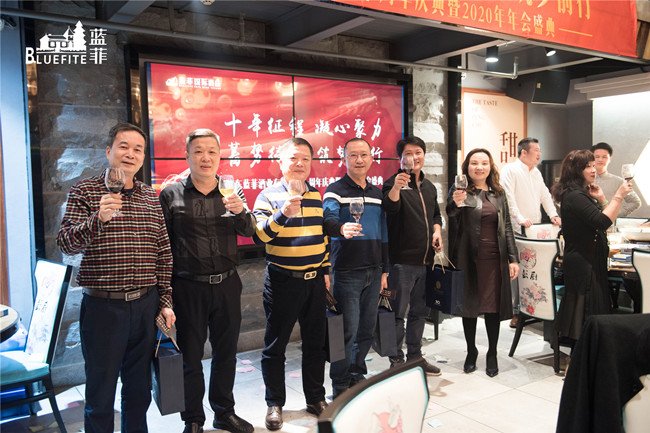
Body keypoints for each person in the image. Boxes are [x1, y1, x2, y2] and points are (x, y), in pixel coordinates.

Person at [57, 122, 175, 433]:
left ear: (143, 157)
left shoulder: (150, 196)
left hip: (146, 305)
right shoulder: (85, 191)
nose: (130, 154)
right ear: (109, 151)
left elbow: (163, 251)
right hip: (104, 308)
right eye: (124, 146)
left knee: (139, 390)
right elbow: (66, 243)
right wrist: (98, 218)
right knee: (101, 391)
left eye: (138, 149)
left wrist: (165, 300)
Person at [159, 129, 255, 433]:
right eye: (199, 151)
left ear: (219, 156)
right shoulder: (171, 194)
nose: (206, 157)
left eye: (212, 151)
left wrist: (240, 211)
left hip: (227, 283)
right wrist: (164, 294)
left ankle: (224, 411)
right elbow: (162, 246)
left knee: (226, 352)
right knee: (190, 355)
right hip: (188, 287)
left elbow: (249, 230)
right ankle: (193, 419)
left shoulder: (231, 190)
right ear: (187, 156)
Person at [252, 138, 330, 430]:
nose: (300, 164)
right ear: (280, 162)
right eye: (294, 158)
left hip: (314, 282)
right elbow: (259, 236)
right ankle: (274, 403)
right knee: (276, 345)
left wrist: (325, 271)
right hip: (282, 281)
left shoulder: (317, 195)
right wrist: (283, 213)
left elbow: (323, 237)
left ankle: (315, 398)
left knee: (315, 344)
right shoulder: (267, 196)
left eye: (306, 159)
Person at [323, 138, 389, 398]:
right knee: (345, 330)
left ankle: (356, 373)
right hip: (347, 271)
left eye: (364, 155)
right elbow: (327, 220)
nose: (359, 160)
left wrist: (385, 269)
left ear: (372, 158)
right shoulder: (335, 190)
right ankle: (339, 383)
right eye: (353, 155)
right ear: (344, 159)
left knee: (366, 329)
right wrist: (341, 228)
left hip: (374, 269)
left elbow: (384, 233)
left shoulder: (377, 193)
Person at [446, 148, 519, 377]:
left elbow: (507, 227)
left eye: (484, 163)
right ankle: (471, 351)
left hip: (494, 258)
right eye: (474, 163)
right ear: (467, 167)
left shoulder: (498, 192)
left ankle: (492, 352)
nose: (479, 167)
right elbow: (450, 215)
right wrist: (455, 204)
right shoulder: (459, 190)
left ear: (490, 166)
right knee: (469, 306)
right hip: (467, 257)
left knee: (492, 307)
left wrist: (513, 258)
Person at [551, 149, 633, 342]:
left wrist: (602, 199)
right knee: (586, 312)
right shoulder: (575, 196)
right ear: (575, 170)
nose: (593, 169)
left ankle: (587, 352)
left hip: (589, 259)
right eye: (587, 166)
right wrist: (619, 196)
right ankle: (582, 354)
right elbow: (602, 222)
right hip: (584, 263)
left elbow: (606, 220)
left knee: (588, 311)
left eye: (593, 165)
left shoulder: (581, 193)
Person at [382, 136, 443, 375]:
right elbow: (390, 208)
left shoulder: (429, 187)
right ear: (400, 158)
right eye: (408, 153)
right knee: (396, 314)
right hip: (401, 263)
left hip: (426, 261)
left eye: (418, 152)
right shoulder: (391, 184)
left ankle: (415, 357)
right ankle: (396, 361)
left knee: (420, 313)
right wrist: (397, 187)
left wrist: (437, 231)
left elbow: (436, 215)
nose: (413, 158)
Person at [500, 137, 560, 328]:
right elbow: (508, 198)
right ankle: (516, 311)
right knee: (517, 270)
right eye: (536, 150)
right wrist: (519, 218)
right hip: (516, 228)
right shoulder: (510, 170)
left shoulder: (536, 172)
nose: (539, 153)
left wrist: (553, 214)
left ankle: (536, 307)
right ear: (524, 152)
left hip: (535, 229)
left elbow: (545, 195)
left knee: (533, 270)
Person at [591, 142, 641, 217]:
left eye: (604, 157)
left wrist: (615, 215)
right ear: (591, 158)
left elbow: (635, 202)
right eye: (597, 157)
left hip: (607, 222)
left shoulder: (618, 181)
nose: (600, 159)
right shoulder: (584, 180)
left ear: (610, 159)